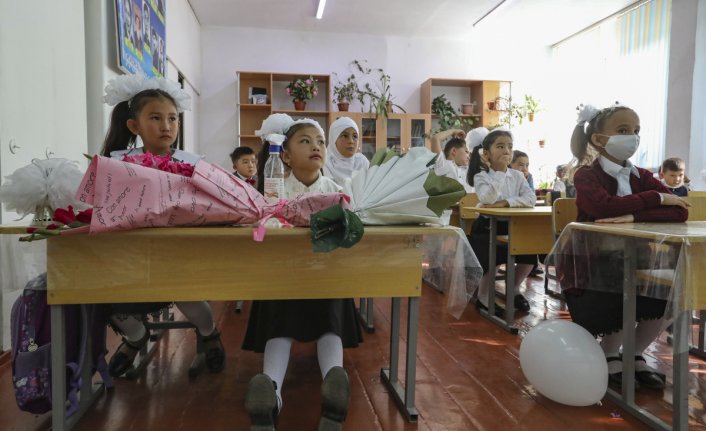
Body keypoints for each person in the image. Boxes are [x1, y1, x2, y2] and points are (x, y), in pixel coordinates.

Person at [100, 74, 225, 377]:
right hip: (132, 255)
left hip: (180, 253)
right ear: (134, 126)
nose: (166, 126)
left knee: (187, 293)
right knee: (105, 298)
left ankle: (209, 335)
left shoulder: (193, 163)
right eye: (155, 118)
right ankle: (135, 336)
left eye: (172, 118)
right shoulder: (118, 163)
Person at [245, 117, 361, 431]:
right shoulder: (274, 190)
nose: (316, 147)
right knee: (280, 310)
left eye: (320, 142)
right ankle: (270, 392)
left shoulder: (339, 190)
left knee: (329, 307)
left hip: (326, 276)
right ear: (285, 155)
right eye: (305, 141)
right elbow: (261, 231)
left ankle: (331, 386)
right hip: (283, 277)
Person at [563, 103, 689, 390]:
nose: (632, 137)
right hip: (595, 260)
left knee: (667, 295)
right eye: (623, 131)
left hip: (641, 257)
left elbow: (680, 210)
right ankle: (609, 353)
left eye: (636, 131)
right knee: (618, 295)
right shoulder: (587, 175)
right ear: (599, 139)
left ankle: (634, 353)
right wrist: (655, 199)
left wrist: (634, 214)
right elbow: (601, 207)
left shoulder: (642, 176)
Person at [466, 130, 537, 314]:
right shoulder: (481, 176)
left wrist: (506, 202)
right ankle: (483, 298)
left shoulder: (518, 176)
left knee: (529, 253)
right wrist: (499, 173)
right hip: (487, 226)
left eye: (510, 146)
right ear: (486, 154)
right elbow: (488, 199)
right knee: (493, 258)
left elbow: (531, 199)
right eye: (500, 146)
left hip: (513, 225)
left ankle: (513, 289)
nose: (506, 150)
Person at [323, 116, 369, 186]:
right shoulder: (326, 163)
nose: (351, 141)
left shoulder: (362, 161)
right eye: (344, 136)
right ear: (333, 140)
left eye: (355, 136)